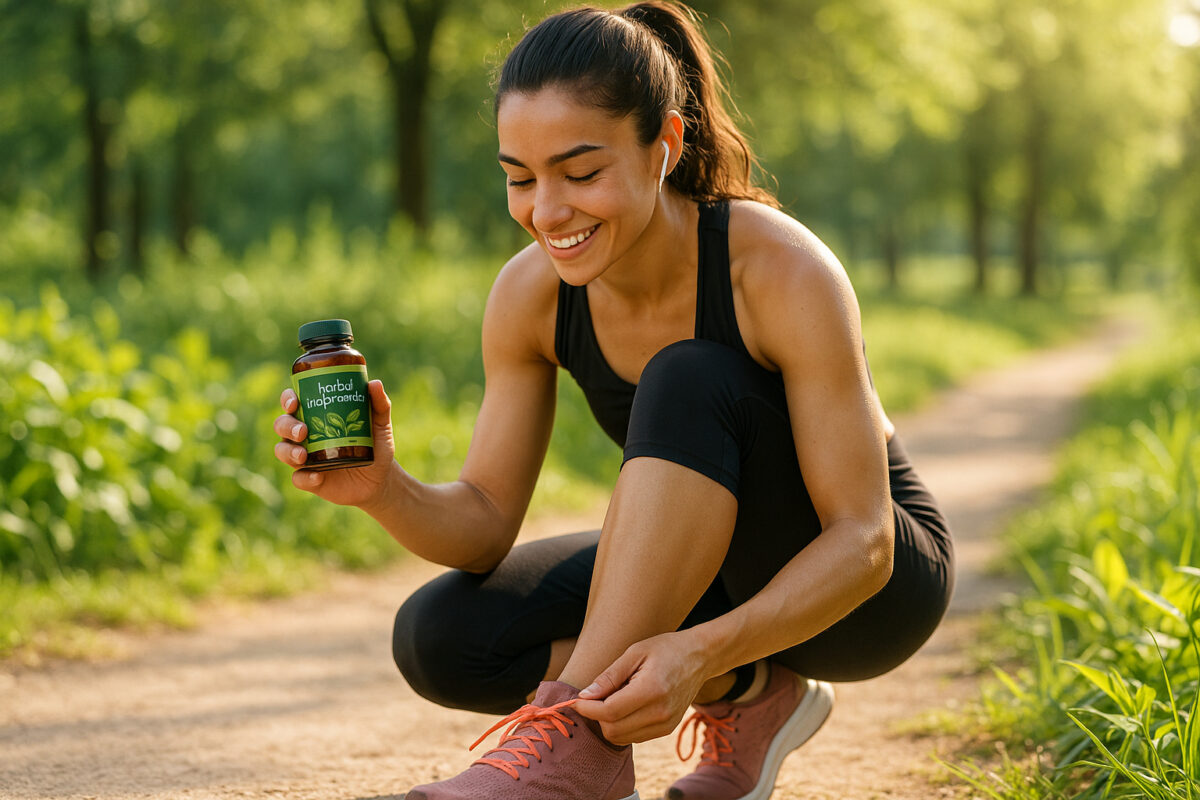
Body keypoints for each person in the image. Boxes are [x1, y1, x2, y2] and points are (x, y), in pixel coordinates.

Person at [274, 3, 954, 798]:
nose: (547, 212)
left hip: (867, 590)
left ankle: (580, 749)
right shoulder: (528, 298)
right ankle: (756, 697)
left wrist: (699, 651)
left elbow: (865, 541)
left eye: (581, 172)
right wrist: (384, 489)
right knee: (443, 637)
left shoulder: (777, 269)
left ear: (663, 145)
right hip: (716, 568)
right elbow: (486, 522)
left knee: (688, 374)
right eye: (519, 179)